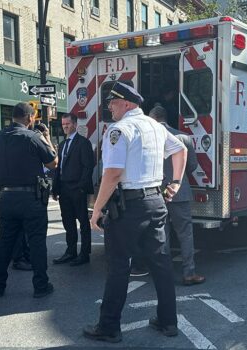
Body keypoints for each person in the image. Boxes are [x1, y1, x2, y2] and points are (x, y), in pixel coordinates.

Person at [82, 82, 187, 343]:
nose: (109, 107)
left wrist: (96, 210)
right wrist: (175, 182)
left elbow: (113, 173)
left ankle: (108, 328)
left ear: (127, 103)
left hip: (129, 206)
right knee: (161, 263)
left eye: (113, 102)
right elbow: (181, 149)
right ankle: (168, 321)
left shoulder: (119, 130)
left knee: (118, 267)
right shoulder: (156, 126)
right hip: (156, 201)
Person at [0, 102, 57, 298]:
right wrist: (47, 138)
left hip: (6, 196)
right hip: (31, 198)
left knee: (4, 242)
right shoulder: (33, 137)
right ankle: (41, 286)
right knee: (36, 242)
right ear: (30, 118)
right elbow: (53, 163)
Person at [149, 105, 205, 286]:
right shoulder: (184, 137)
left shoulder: (148, 139)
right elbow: (192, 166)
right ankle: (189, 273)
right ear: (166, 117)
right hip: (178, 192)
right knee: (185, 233)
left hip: (156, 193)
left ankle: (163, 274)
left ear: (152, 119)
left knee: (161, 234)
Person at [52, 113, 94, 266]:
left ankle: (84, 254)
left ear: (75, 124)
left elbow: (88, 166)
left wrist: (81, 187)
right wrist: (55, 189)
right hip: (64, 189)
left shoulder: (83, 143)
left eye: (68, 124)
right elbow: (59, 168)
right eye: (63, 124)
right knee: (68, 222)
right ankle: (70, 252)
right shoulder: (62, 145)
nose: (65, 127)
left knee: (83, 222)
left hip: (77, 188)